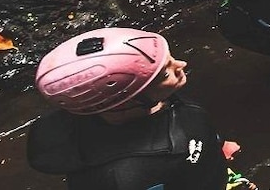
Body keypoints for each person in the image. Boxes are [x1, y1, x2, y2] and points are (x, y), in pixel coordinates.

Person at [27, 27, 256, 190]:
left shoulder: (152, 95)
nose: (182, 65)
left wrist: (215, 146)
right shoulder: (125, 177)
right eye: (165, 72)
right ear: (127, 99)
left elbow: (190, 118)